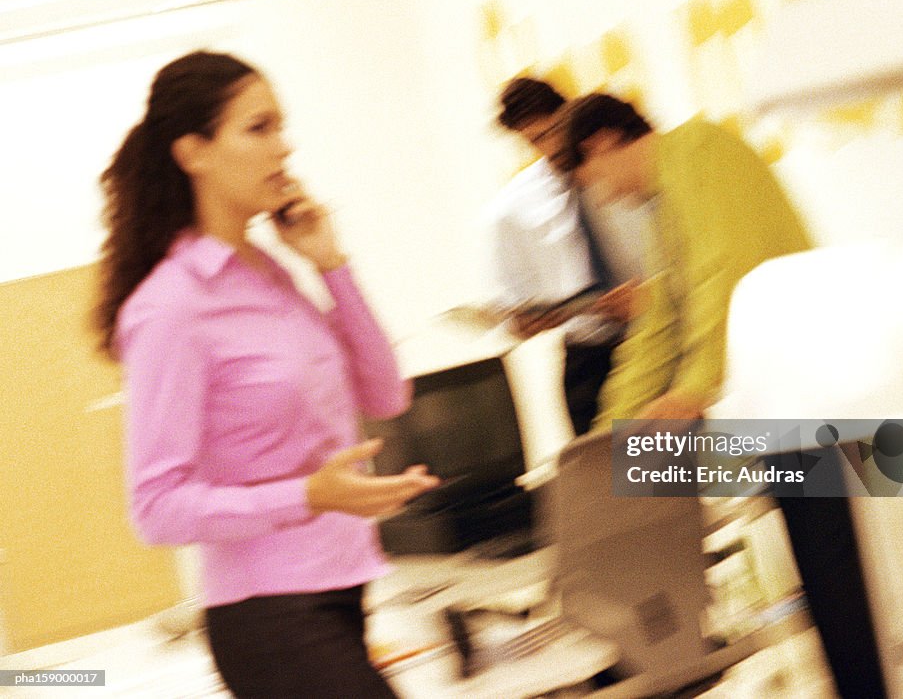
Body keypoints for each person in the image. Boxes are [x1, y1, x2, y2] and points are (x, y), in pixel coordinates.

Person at [95, 50, 438, 698]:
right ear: (193, 151)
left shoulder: (273, 274)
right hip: (268, 615)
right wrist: (307, 496)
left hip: (339, 592)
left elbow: (385, 393)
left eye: (281, 127)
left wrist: (331, 265)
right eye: (259, 129)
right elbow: (156, 509)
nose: (285, 147)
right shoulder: (171, 307)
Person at [561, 94, 890, 698]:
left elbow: (725, 271)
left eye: (595, 180)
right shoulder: (669, 197)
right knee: (820, 571)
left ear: (603, 143)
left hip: (802, 392)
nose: (604, 196)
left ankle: (865, 690)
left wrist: (691, 389)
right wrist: (609, 429)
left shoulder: (702, 151)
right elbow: (664, 317)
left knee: (832, 569)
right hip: (773, 401)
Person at [483, 78, 639, 435]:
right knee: (610, 482)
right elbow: (512, 307)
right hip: (589, 359)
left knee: (678, 477)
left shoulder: (626, 166)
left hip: (653, 333)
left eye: (554, 130)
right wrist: (528, 321)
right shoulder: (512, 209)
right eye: (534, 139)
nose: (550, 146)